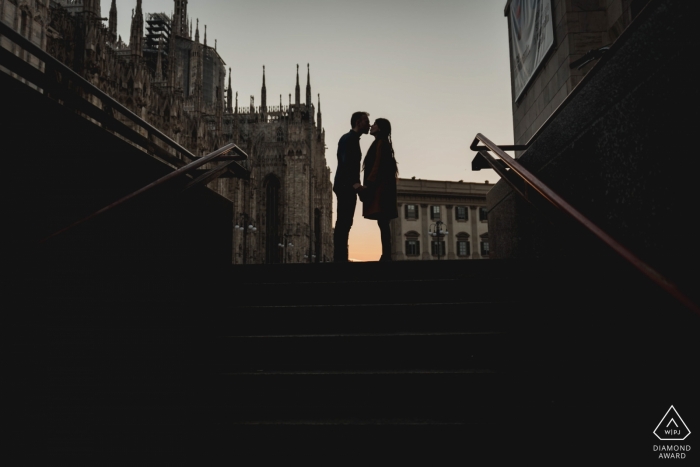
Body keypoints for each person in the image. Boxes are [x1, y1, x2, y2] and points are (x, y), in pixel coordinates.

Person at [359, 118, 398, 261]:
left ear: (380, 128)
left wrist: (368, 184)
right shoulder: (381, 143)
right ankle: (386, 254)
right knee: (382, 222)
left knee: (383, 221)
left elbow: (376, 165)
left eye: (375, 124)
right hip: (382, 189)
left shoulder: (381, 143)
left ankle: (386, 255)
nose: (371, 126)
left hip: (380, 190)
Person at [333, 111, 370, 262]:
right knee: (344, 222)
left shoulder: (351, 139)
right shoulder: (349, 139)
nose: (369, 124)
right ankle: (340, 258)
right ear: (357, 122)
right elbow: (346, 162)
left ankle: (341, 257)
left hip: (345, 185)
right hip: (345, 186)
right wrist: (354, 184)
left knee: (345, 222)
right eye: (366, 121)